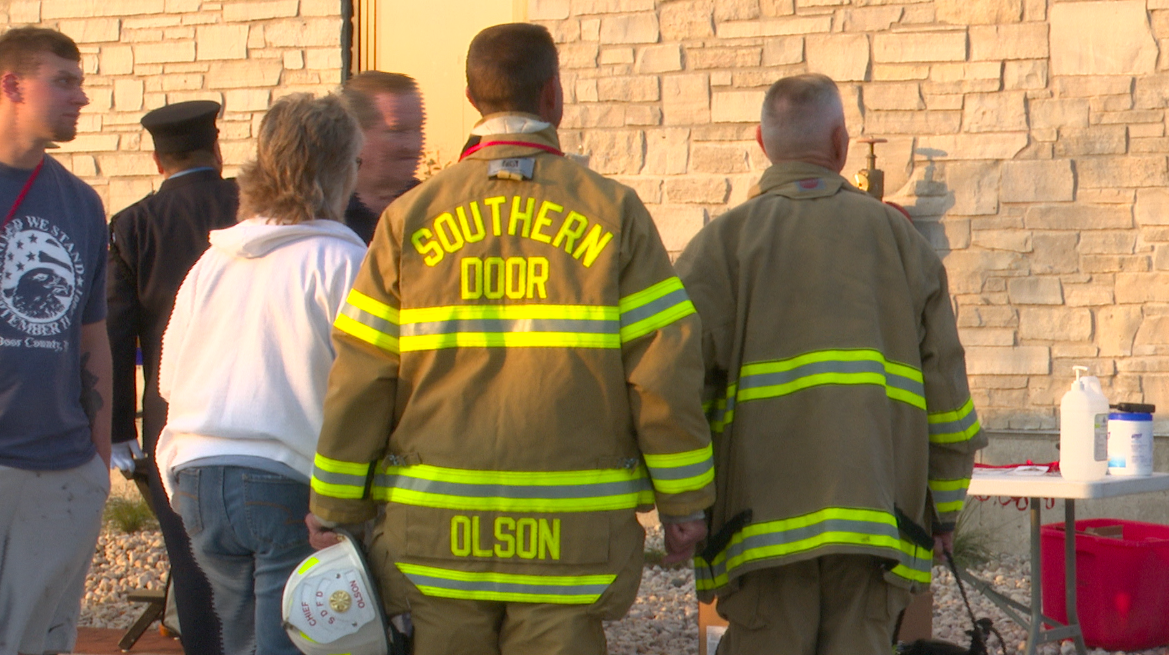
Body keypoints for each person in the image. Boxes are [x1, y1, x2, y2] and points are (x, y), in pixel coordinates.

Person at [307, 23, 715, 655]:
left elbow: (360, 374)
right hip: (569, 542)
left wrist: (334, 506)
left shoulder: (408, 220)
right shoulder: (614, 213)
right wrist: (685, 502)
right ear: (554, 95)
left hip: (437, 541)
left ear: (471, 97)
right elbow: (663, 370)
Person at [674, 73, 986, 655]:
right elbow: (948, 402)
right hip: (876, 530)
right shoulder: (902, 244)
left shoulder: (718, 248)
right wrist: (942, 517)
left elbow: (675, 392)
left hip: (757, 537)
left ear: (761, 144)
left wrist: (683, 509)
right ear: (842, 143)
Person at [154, 93, 367, 655]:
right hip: (286, 482)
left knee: (236, 639)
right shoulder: (344, 263)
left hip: (197, 480)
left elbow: (169, 378)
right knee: (289, 641)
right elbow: (364, 391)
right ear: (340, 170)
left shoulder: (212, 263)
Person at [106, 99, 238, 654]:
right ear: (217, 147)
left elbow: (116, 334)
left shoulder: (134, 224)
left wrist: (118, 430)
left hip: (172, 420)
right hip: (253, 402)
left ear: (158, 162)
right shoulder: (250, 206)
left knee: (192, 567)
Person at [0, 26, 111, 655]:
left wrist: (96, 463)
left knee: (43, 642)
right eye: (63, 81)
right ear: (12, 84)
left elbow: (92, 337)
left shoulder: (80, 203)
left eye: (81, 81)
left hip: (62, 467)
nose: (81, 97)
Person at [340, 70, 424, 244]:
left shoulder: (432, 207)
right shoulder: (326, 215)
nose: (412, 145)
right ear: (356, 133)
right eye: (397, 131)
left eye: (418, 129)